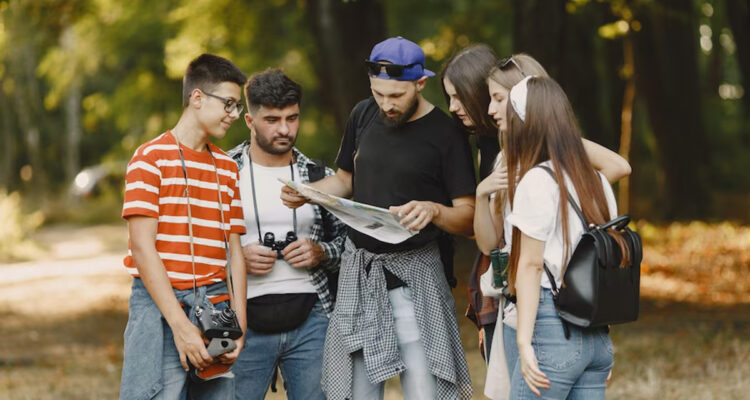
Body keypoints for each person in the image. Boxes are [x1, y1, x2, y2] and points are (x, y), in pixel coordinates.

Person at [281, 36, 474, 400]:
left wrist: (434, 210)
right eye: (378, 93)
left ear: (420, 83)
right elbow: (345, 180)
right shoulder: (363, 114)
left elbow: (468, 218)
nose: (386, 104)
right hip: (361, 272)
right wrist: (306, 192)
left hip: (417, 274)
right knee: (358, 391)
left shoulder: (447, 134)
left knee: (424, 387)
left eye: (396, 96)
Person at [441, 49, 631, 374]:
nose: (489, 109)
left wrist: (561, 179)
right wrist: (485, 192)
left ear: (520, 98)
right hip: (515, 297)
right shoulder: (502, 157)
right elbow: (489, 245)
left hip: (554, 296)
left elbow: (618, 166)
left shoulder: (559, 159)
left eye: (498, 99)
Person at [120, 53, 248, 400]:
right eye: (229, 104)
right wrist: (181, 326)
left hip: (216, 304)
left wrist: (240, 324)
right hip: (159, 305)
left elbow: (234, 252)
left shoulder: (227, 168)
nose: (235, 115)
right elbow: (142, 250)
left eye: (237, 107)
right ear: (197, 98)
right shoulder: (149, 159)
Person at [487, 75, 623, 399]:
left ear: (525, 124)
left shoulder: (536, 181)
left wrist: (523, 342)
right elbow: (604, 265)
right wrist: (602, 337)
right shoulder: (597, 182)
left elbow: (531, 266)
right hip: (596, 334)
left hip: (551, 328)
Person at [227, 69, 346, 400]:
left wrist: (320, 252)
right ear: (249, 121)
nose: (284, 129)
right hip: (240, 320)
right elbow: (194, 247)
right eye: (272, 119)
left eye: (292, 118)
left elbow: (350, 245)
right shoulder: (222, 173)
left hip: (313, 318)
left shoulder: (321, 176)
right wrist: (235, 258)